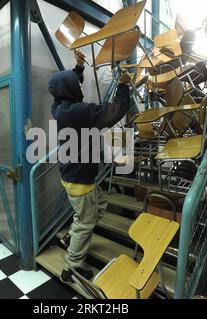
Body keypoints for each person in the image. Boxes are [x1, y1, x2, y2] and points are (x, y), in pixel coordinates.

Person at [48, 51, 132, 283]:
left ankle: (69, 239)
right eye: (76, 84)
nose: (80, 87)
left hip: (73, 176)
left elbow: (66, 86)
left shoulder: (59, 107)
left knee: (99, 205)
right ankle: (71, 268)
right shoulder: (81, 112)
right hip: (80, 180)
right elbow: (116, 110)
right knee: (85, 221)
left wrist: (79, 69)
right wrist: (124, 86)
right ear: (70, 89)